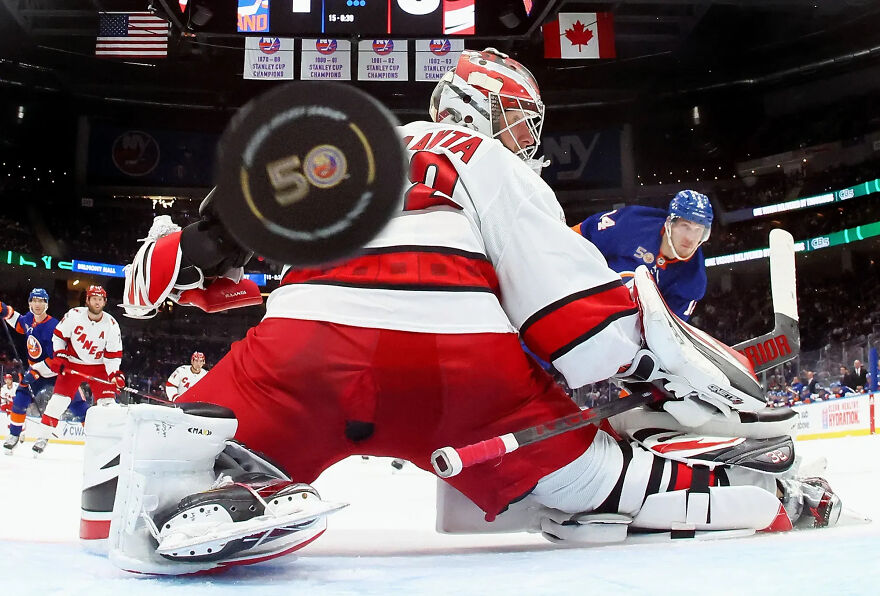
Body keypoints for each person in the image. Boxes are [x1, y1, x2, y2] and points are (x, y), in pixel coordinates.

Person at [87, 48, 840, 575]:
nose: (528, 140)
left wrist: (193, 259)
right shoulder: (488, 161)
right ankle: (777, 500)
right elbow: (574, 316)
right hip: (456, 374)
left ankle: (166, 483)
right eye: (521, 120)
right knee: (607, 485)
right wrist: (673, 372)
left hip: (301, 351)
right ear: (484, 108)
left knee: (167, 464)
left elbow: (252, 242)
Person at [570, 190, 712, 321]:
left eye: (698, 230)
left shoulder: (694, 281)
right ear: (670, 223)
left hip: (618, 331)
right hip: (579, 294)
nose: (690, 237)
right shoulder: (633, 223)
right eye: (685, 226)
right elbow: (576, 236)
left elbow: (667, 330)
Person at [32, 285, 124, 455]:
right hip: (73, 363)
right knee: (57, 402)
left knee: (108, 406)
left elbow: (113, 355)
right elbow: (58, 336)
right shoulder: (74, 315)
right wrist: (59, 356)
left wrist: (114, 374)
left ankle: (110, 444)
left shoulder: (111, 324)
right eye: (94, 298)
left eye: (100, 299)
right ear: (87, 300)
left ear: (104, 302)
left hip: (99, 367)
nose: (97, 302)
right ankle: (43, 437)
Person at [1, 288, 62, 453]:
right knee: (21, 397)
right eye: (34, 300)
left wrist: (36, 371)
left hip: (56, 373)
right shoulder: (29, 319)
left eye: (41, 301)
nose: (37, 304)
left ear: (46, 304)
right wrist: (4, 310)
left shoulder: (53, 326)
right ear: (29, 303)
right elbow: (18, 321)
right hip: (37, 371)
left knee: (75, 404)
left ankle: (44, 436)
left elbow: (56, 359)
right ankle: (14, 435)